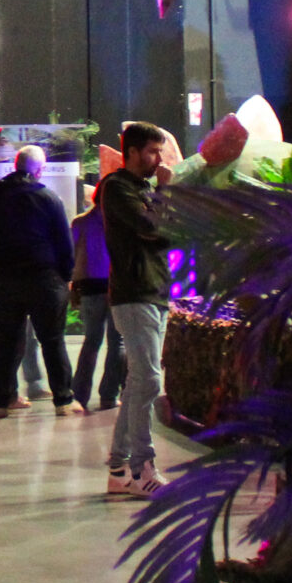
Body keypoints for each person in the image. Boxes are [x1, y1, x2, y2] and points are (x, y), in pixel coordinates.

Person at [0, 145, 80, 420]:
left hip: (2, 280)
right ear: (39, 169)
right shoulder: (48, 198)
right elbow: (64, 244)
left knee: (5, 342)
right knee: (52, 341)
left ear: (14, 166)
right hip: (45, 280)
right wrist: (67, 277)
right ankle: (64, 401)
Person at [103, 121, 179, 498]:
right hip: (135, 295)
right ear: (130, 152)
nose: (158, 160)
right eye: (151, 152)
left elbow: (168, 231)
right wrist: (165, 192)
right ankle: (142, 467)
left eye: (159, 152)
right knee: (149, 380)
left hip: (154, 292)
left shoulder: (144, 190)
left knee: (138, 381)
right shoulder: (117, 189)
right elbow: (153, 227)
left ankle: (118, 469)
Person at [69, 173, 124, 412]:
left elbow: (72, 255)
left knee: (91, 341)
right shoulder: (121, 221)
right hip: (117, 287)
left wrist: (72, 285)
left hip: (90, 287)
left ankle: (79, 396)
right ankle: (109, 396)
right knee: (116, 342)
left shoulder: (80, 222)